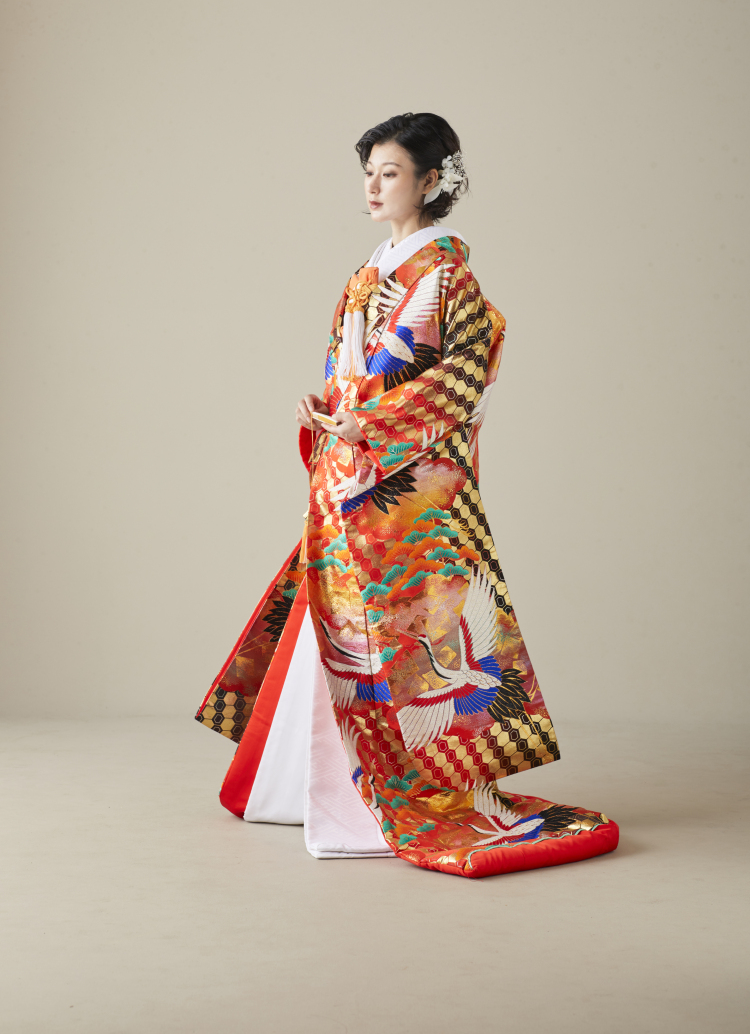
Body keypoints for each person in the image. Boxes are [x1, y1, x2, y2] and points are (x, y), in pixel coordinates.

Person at [196, 112, 618, 877]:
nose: (373, 186)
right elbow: (351, 372)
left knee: (403, 635)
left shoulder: (447, 275)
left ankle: (385, 797)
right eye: (368, 173)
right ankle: (302, 787)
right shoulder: (368, 271)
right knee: (337, 623)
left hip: (411, 491)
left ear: (429, 180)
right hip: (350, 472)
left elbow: (464, 376)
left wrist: (374, 421)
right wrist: (326, 406)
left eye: (388, 173)